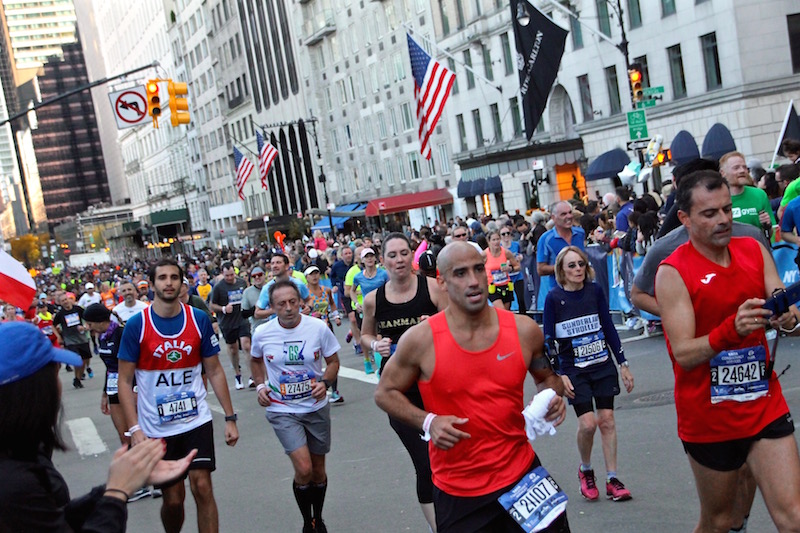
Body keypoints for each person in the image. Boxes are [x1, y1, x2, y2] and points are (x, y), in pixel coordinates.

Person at [375, 242, 569, 533]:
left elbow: (547, 379)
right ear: (441, 280)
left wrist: (551, 397)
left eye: (479, 269)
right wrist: (429, 421)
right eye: (460, 273)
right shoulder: (421, 340)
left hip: (522, 476)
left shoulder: (523, 329)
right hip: (459, 490)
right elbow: (385, 393)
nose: (474, 281)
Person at [655, 170, 800, 532]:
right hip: (708, 416)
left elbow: (782, 302)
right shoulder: (672, 272)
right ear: (685, 218)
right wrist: (730, 330)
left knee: (794, 516)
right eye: (709, 214)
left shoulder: (752, 248)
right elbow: (684, 354)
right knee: (722, 521)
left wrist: (787, 318)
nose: (722, 220)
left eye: (726, 210)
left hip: (763, 403)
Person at [0, 321, 195, 532]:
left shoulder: (21, 455)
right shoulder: (13, 482)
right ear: (31, 391)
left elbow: (49, 517)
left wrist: (120, 484)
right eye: (54, 373)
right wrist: (116, 493)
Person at [117, 258, 240, 533]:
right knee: (173, 500)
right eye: (162, 278)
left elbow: (215, 371)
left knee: (202, 486)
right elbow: (125, 381)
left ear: (182, 283)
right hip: (156, 427)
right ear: (151, 285)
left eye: (174, 277)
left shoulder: (197, 320)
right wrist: (134, 428)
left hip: (195, 420)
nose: (169, 282)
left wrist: (230, 418)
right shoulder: (137, 326)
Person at [360, 232, 448, 531]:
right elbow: (365, 335)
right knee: (425, 464)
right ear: (382, 260)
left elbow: (457, 321)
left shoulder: (433, 288)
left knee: (448, 457)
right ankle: (438, 526)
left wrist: (436, 325)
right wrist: (375, 346)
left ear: (412, 254)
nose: (398, 260)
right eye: (392, 255)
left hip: (437, 384)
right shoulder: (374, 299)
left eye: (403, 253)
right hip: (399, 391)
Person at [544, 246, 634, 502]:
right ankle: (586, 470)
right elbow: (548, 340)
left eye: (581, 264)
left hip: (602, 366)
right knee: (588, 423)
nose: (578, 270)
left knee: (607, 420)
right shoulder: (553, 298)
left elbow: (608, 326)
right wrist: (559, 374)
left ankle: (613, 479)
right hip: (574, 370)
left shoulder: (594, 291)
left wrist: (623, 363)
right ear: (561, 270)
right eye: (571, 265)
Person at [250, 279, 341, 533]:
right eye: (281, 304)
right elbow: (255, 361)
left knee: (318, 470)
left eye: (293, 302)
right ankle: (306, 522)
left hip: (315, 406)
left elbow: (333, 361)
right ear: (272, 306)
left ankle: (318, 518)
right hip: (282, 408)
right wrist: (260, 386)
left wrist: (325, 382)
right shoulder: (262, 333)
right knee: (304, 468)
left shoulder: (317, 328)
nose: (288, 308)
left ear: (300, 301)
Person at [209, 262, 251, 390]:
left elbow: (247, 294)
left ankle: (252, 376)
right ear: (223, 274)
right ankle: (237, 374)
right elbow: (212, 305)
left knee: (246, 345)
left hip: (242, 319)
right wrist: (223, 308)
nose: (230, 278)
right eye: (227, 275)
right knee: (233, 349)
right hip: (227, 323)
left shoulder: (241, 283)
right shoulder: (218, 287)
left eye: (232, 275)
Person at [305, 264, 343, 403]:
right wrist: (309, 315)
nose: (315, 276)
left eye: (316, 273)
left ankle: (334, 391)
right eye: (311, 274)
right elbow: (300, 310)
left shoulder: (325, 290)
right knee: (313, 361)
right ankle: (313, 390)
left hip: (326, 328)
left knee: (332, 359)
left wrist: (336, 316)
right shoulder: (304, 294)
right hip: (310, 331)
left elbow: (332, 304)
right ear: (306, 278)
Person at [351, 248, 389, 373]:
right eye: (366, 257)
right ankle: (367, 359)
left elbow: (391, 287)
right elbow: (351, 291)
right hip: (367, 310)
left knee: (379, 336)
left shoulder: (383, 274)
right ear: (362, 260)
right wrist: (356, 303)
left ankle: (380, 365)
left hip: (382, 308)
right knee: (366, 335)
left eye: (371, 256)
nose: (369, 259)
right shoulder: (358, 277)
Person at [719, 151, 775, 236]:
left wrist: (768, 226)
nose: (742, 171)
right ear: (723, 173)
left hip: (757, 246)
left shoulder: (759, 195)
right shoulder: (717, 199)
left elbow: (772, 233)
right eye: (736, 168)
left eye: (744, 167)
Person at [254, 253, 312, 321]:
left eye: (278, 263)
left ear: (287, 266)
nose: (274, 266)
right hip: (277, 328)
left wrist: (309, 307)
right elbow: (257, 313)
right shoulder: (267, 288)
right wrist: (276, 310)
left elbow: (309, 300)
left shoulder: (298, 283)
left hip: (298, 324)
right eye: (272, 263)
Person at [53, 291, 93, 388]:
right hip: (70, 339)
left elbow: (87, 318)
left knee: (84, 359)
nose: (65, 302)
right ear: (60, 303)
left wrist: (86, 326)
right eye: (62, 301)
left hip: (82, 338)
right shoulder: (60, 314)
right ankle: (77, 377)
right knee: (77, 359)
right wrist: (58, 336)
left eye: (66, 299)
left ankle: (78, 379)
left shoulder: (78, 309)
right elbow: (53, 325)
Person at [483, 229, 520, 311]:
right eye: (494, 240)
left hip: (506, 285)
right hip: (492, 286)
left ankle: (501, 324)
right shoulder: (484, 254)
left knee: (506, 313)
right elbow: (477, 269)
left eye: (497, 239)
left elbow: (518, 266)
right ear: (489, 241)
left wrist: (510, 269)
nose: (496, 242)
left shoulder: (506, 252)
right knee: (501, 310)